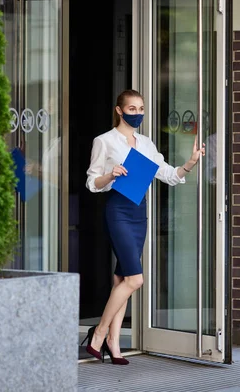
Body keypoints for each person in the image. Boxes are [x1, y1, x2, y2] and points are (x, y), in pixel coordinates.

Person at [81, 89, 205, 365]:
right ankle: (99, 334)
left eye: (141, 108)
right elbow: (92, 183)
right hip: (118, 210)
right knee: (135, 280)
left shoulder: (147, 144)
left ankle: (114, 344)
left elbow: (169, 175)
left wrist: (190, 163)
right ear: (119, 110)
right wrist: (110, 174)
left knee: (121, 280)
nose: (137, 113)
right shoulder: (104, 141)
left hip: (139, 213)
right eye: (132, 109)